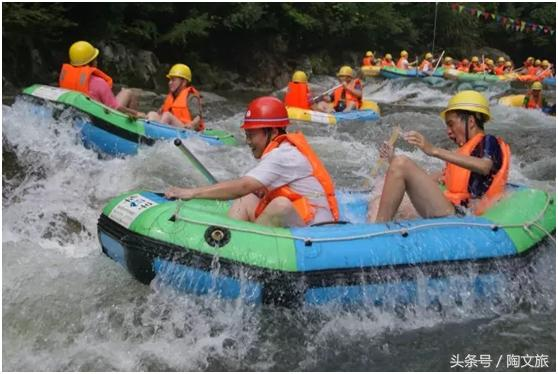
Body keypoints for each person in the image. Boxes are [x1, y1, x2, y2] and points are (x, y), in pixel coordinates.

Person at [165, 96, 339, 227]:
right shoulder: (278, 151)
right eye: (246, 134)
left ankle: (244, 251)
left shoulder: (284, 155)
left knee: (280, 205)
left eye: (252, 135)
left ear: (272, 131)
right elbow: (246, 191)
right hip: (298, 220)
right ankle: (226, 244)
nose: (248, 141)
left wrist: (191, 193)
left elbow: (242, 186)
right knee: (247, 198)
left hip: (315, 230)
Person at [368, 90, 510, 222]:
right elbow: (427, 180)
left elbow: (484, 166)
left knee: (401, 163)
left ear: (471, 122)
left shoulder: (489, 141)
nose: (448, 131)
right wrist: (392, 161)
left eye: (451, 124)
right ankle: (375, 228)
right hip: (451, 207)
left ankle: (378, 231)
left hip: (462, 215)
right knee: (380, 198)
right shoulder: (461, 154)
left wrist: (433, 150)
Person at [59, 40, 144, 118]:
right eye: (95, 59)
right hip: (105, 117)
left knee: (126, 92)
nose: (97, 61)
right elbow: (115, 108)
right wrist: (136, 113)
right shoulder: (99, 82)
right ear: (92, 62)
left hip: (78, 114)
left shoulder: (66, 79)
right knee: (130, 94)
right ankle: (135, 125)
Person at [146, 64, 204, 130]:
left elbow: (198, 118)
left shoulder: (191, 98)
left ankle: (156, 133)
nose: (169, 83)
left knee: (167, 115)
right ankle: (148, 131)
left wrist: (192, 124)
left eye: (173, 80)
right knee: (152, 114)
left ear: (184, 82)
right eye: (170, 80)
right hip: (171, 126)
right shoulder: (172, 97)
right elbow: (159, 113)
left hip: (186, 129)